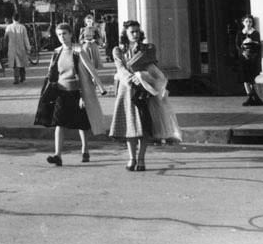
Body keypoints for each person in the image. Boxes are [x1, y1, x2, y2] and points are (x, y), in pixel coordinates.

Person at [109, 19, 181, 171]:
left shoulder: (148, 49)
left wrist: (142, 76)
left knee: (144, 125)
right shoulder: (118, 50)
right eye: (131, 32)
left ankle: (141, 159)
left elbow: (153, 68)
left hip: (144, 89)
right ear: (125, 34)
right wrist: (131, 79)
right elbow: (120, 68)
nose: (135, 34)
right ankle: (131, 158)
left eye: (137, 31)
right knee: (129, 125)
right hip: (126, 91)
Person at [34, 22, 107, 166]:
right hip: (61, 92)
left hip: (77, 92)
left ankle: (85, 149)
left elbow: (90, 70)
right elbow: (51, 72)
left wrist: (96, 89)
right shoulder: (57, 52)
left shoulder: (78, 51)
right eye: (59, 34)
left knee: (81, 124)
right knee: (59, 123)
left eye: (64, 34)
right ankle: (58, 155)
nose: (62, 37)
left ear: (70, 34)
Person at [236, 14, 263, 106]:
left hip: (252, 58)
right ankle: (250, 96)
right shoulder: (240, 33)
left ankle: (254, 96)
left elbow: (258, 45)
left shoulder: (255, 33)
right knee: (245, 77)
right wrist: (243, 52)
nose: (248, 23)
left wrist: (252, 43)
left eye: (250, 21)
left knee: (252, 77)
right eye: (246, 21)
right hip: (243, 58)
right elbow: (237, 45)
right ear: (243, 23)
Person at [4, 12, 31, 84]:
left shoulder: (8, 27)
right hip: (21, 47)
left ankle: (16, 79)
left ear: (12, 18)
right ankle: (22, 77)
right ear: (19, 19)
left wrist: (5, 46)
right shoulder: (22, 27)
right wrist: (28, 48)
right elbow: (26, 38)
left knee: (15, 64)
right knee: (21, 63)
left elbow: (5, 38)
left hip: (12, 48)